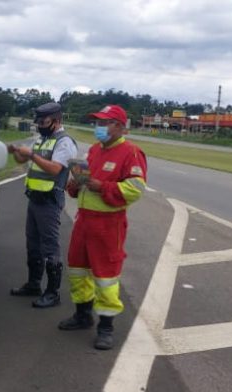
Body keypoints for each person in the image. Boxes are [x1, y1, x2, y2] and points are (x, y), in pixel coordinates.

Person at [58, 104, 147, 350]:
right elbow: (83, 182)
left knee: (105, 277)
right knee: (77, 270)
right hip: (84, 220)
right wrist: (75, 185)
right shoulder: (95, 150)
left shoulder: (131, 152)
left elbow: (135, 190)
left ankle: (106, 327)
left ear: (119, 126)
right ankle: (82, 315)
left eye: (104, 123)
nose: (99, 127)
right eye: (97, 122)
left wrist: (103, 187)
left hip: (109, 225)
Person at [8, 102, 78, 308]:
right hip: (35, 199)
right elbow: (23, 159)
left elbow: (55, 169)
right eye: (38, 121)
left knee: (50, 247)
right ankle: (33, 284)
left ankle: (52, 292)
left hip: (49, 201)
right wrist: (15, 151)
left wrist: (31, 155)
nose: (39, 124)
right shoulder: (43, 139)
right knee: (33, 244)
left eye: (44, 121)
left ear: (56, 121)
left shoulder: (64, 142)